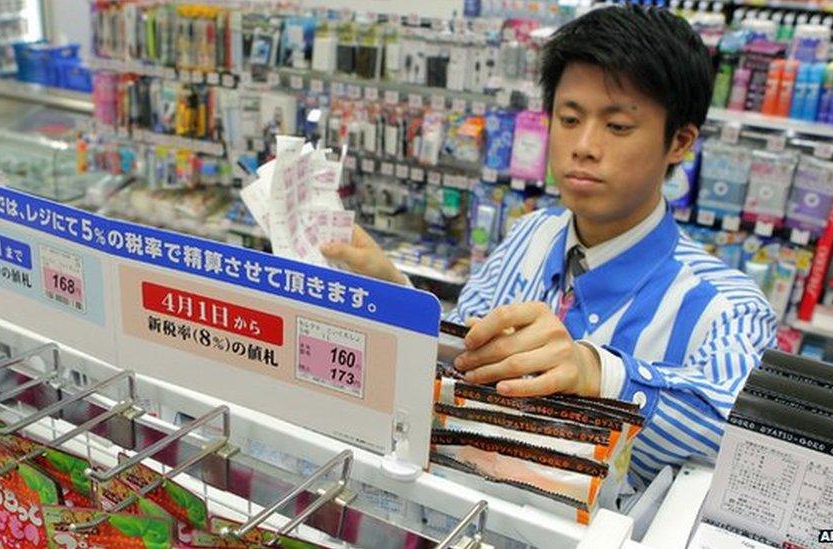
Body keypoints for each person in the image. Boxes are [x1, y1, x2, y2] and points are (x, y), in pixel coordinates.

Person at [321, 4, 778, 488]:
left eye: (617, 126)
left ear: (680, 142)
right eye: (569, 118)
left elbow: (746, 439)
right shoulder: (531, 234)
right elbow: (463, 358)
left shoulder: (725, 307)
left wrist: (597, 372)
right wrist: (395, 293)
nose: (583, 145)